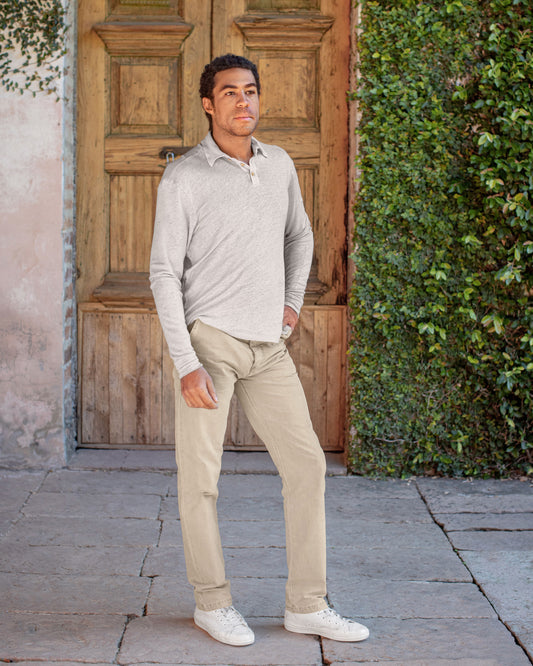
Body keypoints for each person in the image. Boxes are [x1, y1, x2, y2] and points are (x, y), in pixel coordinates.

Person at [149, 53, 369, 647]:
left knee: (306, 465)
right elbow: (164, 273)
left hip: (269, 348)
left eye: (250, 91)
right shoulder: (185, 176)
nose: (242, 101)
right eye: (229, 92)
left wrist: (292, 303)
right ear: (208, 104)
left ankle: (307, 604)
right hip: (211, 345)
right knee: (201, 480)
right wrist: (187, 362)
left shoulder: (280, 165)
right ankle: (212, 602)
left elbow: (300, 234)